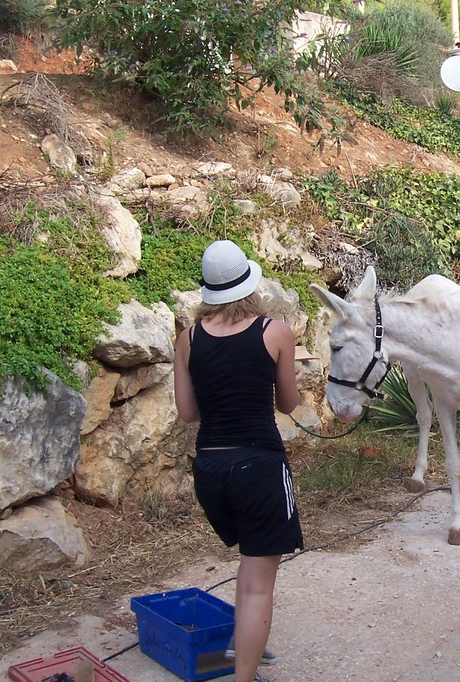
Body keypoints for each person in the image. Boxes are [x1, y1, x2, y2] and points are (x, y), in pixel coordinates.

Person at [174, 240, 305, 682]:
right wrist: (293, 378)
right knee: (256, 586)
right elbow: (288, 405)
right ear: (250, 284)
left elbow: (189, 413)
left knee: (249, 570)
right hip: (260, 467)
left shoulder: (188, 340)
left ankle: (246, 644)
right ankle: (244, 676)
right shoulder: (275, 332)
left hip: (210, 471)